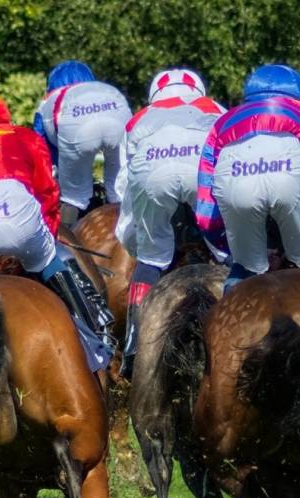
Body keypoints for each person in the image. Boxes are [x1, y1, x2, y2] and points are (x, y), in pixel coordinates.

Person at [0, 87, 116, 368]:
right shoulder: (25, 136)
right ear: (1, 112)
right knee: (50, 260)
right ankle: (95, 336)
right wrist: (47, 235)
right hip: (19, 226)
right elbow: (48, 193)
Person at [193, 63, 300, 290]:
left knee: (246, 265)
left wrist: (227, 247)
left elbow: (206, 192)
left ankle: (228, 303)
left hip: (235, 179)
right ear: (299, 96)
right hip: (289, 178)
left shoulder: (225, 119)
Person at [115, 67, 224, 367]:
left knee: (150, 260)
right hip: (200, 170)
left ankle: (133, 344)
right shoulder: (215, 108)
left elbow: (124, 184)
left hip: (153, 174)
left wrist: (138, 242)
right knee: (232, 254)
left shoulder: (139, 118)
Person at [33, 61, 132, 229]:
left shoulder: (47, 104)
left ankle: (62, 240)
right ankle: (132, 231)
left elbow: (40, 150)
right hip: (118, 114)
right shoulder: (103, 89)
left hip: (75, 129)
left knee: (73, 198)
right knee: (119, 190)